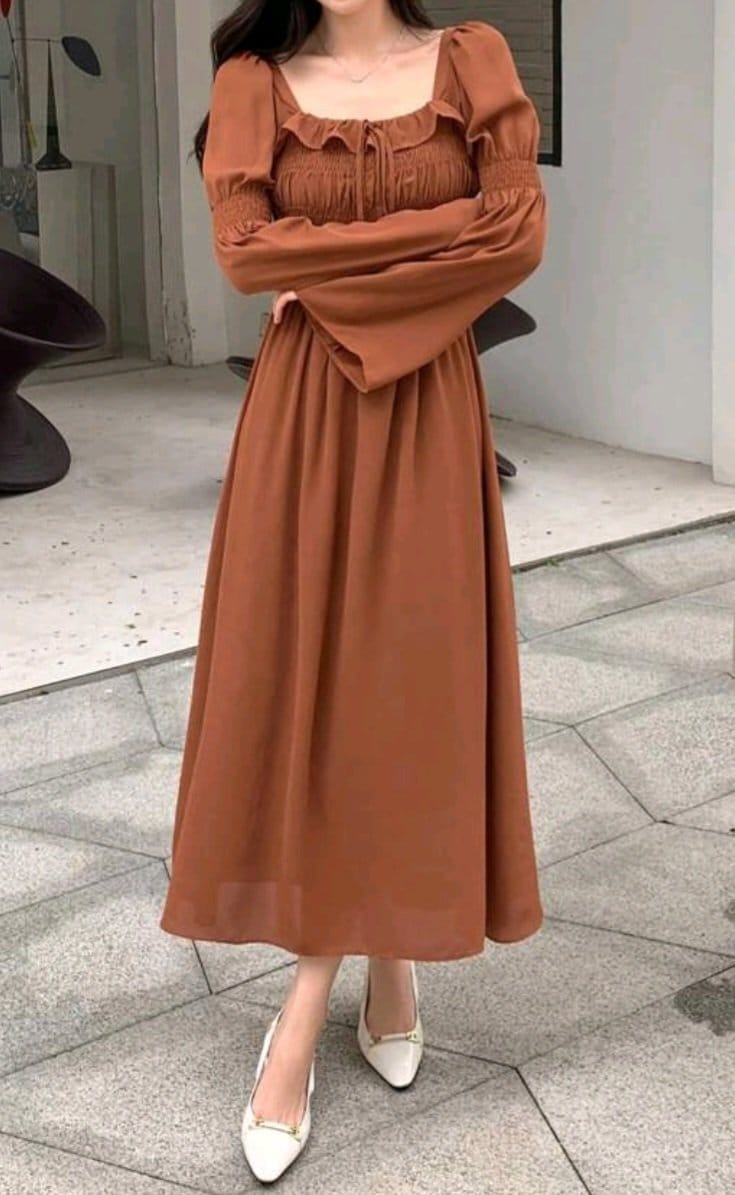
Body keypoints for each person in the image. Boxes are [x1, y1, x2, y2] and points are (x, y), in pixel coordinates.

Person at [160, 0, 547, 1182]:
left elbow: (517, 237)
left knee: (409, 684)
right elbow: (244, 255)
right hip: (306, 420)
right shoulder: (252, 80)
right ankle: (377, 966)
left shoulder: (471, 60)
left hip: (430, 414)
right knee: (310, 692)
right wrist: (438, 232)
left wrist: (323, 273)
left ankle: (323, 995)